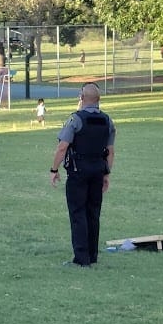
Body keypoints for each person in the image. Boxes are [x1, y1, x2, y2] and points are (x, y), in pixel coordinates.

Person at [50, 83, 116, 267]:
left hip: (78, 171)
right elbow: (110, 151)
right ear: (98, 100)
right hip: (98, 170)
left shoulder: (76, 119)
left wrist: (54, 170)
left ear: (81, 98)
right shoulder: (107, 120)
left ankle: (81, 259)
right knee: (93, 213)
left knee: (78, 213)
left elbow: (62, 146)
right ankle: (92, 255)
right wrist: (107, 174)